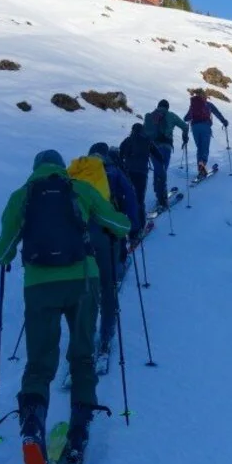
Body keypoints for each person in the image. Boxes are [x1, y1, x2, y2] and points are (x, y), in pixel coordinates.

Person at [0, 149, 130, 464]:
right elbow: (118, 225)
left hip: (40, 287)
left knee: (39, 363)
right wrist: (119, 223)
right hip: (83, 281)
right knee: (82, 357)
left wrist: (10, 251)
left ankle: (31, 426)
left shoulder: (21, 196)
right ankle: (80, 433)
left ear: (35, 168)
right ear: (60, 165)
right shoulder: (78, 188)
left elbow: (4, 251)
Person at [83, 143, 139, 358]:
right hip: (108, 233)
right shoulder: (114, 171)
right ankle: (106, 335)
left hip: (81, 237)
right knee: (108, 286)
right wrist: (133, 229)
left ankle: (84, 336)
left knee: (86, 288)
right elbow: (131, 199)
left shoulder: (77, 173)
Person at [141, 99, 189, 212]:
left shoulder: (150, 116)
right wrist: (185, 137)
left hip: (152, 148)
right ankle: (162, 198)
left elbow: (144, 132)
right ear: (167, 107)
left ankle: (159, 194)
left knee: (158, 170)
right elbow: (185, 126)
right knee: (162, 170)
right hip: (165, 147)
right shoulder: (170, 115)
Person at [118, 123, 164, 234]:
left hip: (128, 173)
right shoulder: (147, 141)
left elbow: (119, 156)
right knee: (139, 198)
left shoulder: (127, 141)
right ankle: (141, 225)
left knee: (129, 197)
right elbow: (159, 156)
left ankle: (130, 225)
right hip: (141, 173)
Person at [183, 90, 229, 179]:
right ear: (204, 96)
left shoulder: (193, 106)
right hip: (205, 126)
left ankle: (200, 168)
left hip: (195, 128)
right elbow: (217, 113)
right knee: (205, 147)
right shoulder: (208, 104)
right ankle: (202, 165)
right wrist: (224, 121)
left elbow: (186, 118)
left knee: (199, 148)